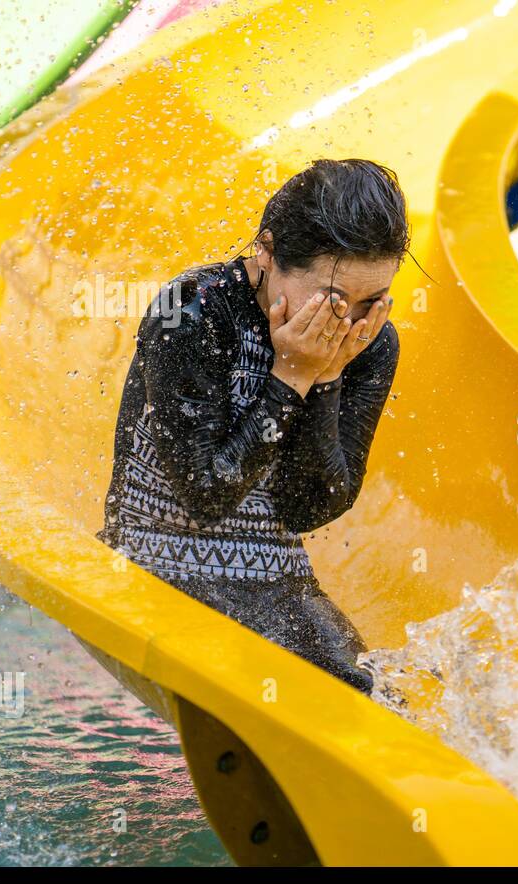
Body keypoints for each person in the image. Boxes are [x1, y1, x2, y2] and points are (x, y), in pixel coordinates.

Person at [99, 158, 406, 695]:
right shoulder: (191, 311)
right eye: (332, 298)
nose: (346, 321)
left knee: (373, 702)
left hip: (273, 578)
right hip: (154, 563)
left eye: (370, 300)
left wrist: (328, 377)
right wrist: (291, 378)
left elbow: (311, 508)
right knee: (262, 695)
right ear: (265, 251)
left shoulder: (370, 343)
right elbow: (206, 496)